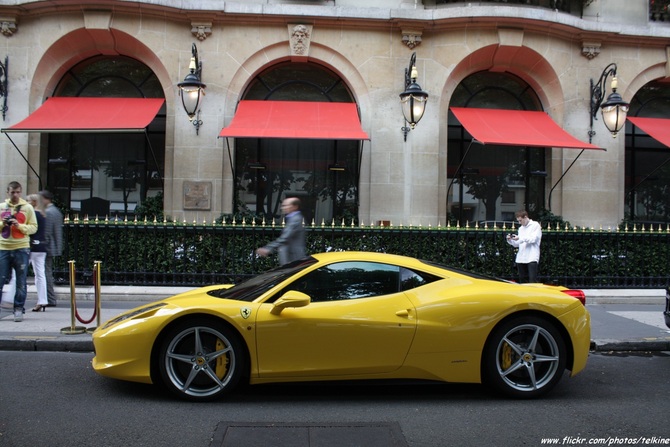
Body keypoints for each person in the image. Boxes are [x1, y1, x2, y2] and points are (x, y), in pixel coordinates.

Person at [0, 181, 38, 321]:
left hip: (21, 247)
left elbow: (33, 227)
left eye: (17, 192)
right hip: (3, 247)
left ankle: (18, 309)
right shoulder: (2, 207)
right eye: (12, 192)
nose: (15, 195)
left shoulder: (27, 208)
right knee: (0, 280)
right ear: (7, 192)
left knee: (21, 281)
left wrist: (19, 225)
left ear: (20, 192)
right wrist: (3, 223)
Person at [256, 197, 306, 266]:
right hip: (291, 256)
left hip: (293, 257)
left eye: (286, 205)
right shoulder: (292, 218)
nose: (283, 208)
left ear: (295, 207)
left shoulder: (296, 219)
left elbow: (285, 237)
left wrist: (268, 248)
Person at [39, 190, 64, 307]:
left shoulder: (48, 212)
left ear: (45, 199)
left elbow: (47, 232)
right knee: (46, 272)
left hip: (47, 247)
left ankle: (50, 298)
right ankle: (49, 298)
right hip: (53, 246)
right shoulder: (56, 211)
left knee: (45, 273)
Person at [506, 210, 542, 283]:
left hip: (532, 256)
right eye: (518, 221)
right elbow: (518, 244)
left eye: (520, 220)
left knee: (532, 280)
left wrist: (520, 238)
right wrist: (510, 240)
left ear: (525, 217)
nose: (519, 223)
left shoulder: (535, 225)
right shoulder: (521, 228)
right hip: (521, 257)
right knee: (522, 280)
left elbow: (534, 239)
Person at [27, 194, 48, 312]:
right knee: (40, 275)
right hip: (42, 246)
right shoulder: (44, 215)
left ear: (34, 202)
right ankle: (42, 300)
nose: (26, 202)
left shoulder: (32, 214)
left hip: (31, 246)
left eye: (28, 200)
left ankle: (10, 299)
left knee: (17, 273)